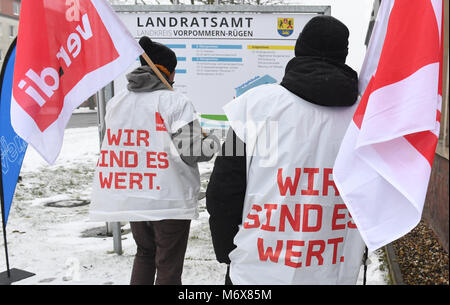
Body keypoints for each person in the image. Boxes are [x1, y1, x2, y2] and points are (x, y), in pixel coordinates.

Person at [206, 16, 366, 285]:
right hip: (333, 269)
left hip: (257, 271)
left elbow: (223, 189)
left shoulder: (255, 107)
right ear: (343, 56)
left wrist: (227, 252)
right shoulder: (362, 118)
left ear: (299, 49)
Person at [89, 36, 219, 285]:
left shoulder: (117, 103)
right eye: (174, 73)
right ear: (168, 72)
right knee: (168, 266)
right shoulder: (175, 102)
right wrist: (211, 139)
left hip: (136, 197)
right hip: (169, 200)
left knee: (145, 254)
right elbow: (194, 152)